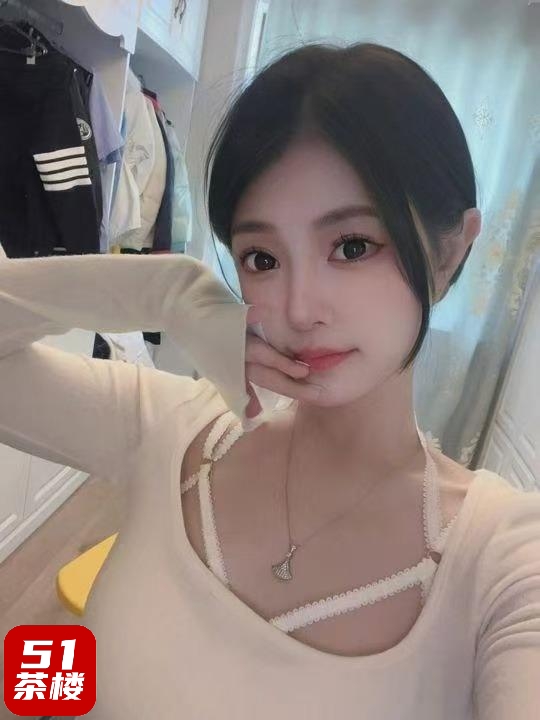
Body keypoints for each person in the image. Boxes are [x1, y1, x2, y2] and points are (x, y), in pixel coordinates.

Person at [0, 42, 538, 719]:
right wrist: (167, 292)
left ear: (449, 251)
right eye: (261, 258)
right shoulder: (171, 430)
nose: (298, 309)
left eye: (352, 246)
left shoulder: (503, 564)